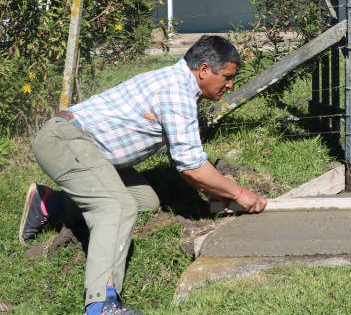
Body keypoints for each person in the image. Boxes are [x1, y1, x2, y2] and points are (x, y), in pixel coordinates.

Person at [19, 35, 267, 315]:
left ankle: (50, 203)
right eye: (228, 77)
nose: (230, 84)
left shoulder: (180, 87)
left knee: (143, 201)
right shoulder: (175, 91)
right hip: (65, 141)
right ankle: (101, 303)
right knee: (116, 207)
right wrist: (239, 194)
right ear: (205, 70)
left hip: (90, 153)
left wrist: (219, 196)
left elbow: (185, 162)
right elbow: (191, 167)